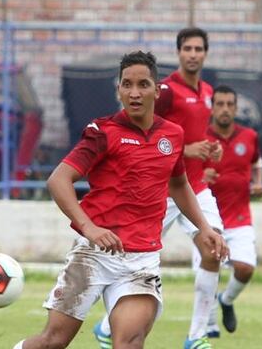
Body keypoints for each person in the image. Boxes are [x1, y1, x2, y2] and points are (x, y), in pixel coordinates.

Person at [13, 51, 227, 349]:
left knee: (130, 342)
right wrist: (89, 228)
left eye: (143, 85)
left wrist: (204, 227)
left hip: (141, 260)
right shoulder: (103, 132)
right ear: (119, 89)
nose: (134, 93)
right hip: (93, 254)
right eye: (127, 84)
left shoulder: (172, 135)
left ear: (157, 89)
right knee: (53, 342)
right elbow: (58, 180)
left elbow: (179, 184)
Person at [93, 27, 225, 349]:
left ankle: (196, 335)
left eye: (198, 49)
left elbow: (187, 135)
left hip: (194, 189)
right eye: (187, 49)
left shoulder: (207, 91)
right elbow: (147, 128)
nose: (193, 54)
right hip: (161, 191)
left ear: (205, 53)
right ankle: (108, 327)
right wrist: (186, 151)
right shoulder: (164, 90)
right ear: (178, 53)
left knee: (214, 250)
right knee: (123, 258)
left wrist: (209, 151)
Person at [198, 85, 262, 337]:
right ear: (212, 108)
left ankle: (226, 300)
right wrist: (202, 174)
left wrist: (258, 182)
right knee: (208, 271)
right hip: (208, 220)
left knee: (245, 268)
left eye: (229, 104)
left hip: (239, 217)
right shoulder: (201, 138)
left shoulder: (249, 136)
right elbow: (187, 172)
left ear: (235, 108)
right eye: (220, 104)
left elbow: (257, 161)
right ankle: (208, 328)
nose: (225, 109)